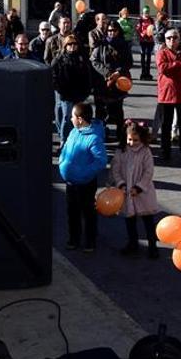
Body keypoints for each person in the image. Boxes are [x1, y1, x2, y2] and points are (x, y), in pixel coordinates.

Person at [59, 103, 107, 252]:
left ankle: (90, 240)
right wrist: (62, 161)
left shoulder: (93, 138)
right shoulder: (74, 132)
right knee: (72, 211)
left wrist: (84, 173)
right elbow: (66, 148)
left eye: (72, 116)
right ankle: (74, 238)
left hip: (85, 183)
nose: (70, 119)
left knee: (87, 211)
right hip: (71, 182)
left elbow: (101, 161)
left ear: (79, 119)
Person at [109, 121, 159, 258]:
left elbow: (148, 172)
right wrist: (121, 184)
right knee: (129, 220)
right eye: (130, 139)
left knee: (148, 221)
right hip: (126, 192)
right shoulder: (121, 151)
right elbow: (116, 169)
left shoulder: (145, 151)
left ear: (142, 138)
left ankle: (152, 245)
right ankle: (133, 243)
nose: (132, 142)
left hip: (143, 193)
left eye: (135, 140)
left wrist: (139, 187)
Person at [91, 20, 133, 148]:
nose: (111, 33)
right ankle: (100, 136)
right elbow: (94, 60)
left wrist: (118, 72)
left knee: (118, 111)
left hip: (118, 83)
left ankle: (121, 137)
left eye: (114, 30)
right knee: (100, 112)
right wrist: (107, 73)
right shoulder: (101, 44)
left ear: (118, 31)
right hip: (102, 83)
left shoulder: (124, 45)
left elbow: (128, 62)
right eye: (109, 30)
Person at [157, 28, 181, 161]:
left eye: (174, 37)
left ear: (179, 39)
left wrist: (173, 67)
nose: (172, 40)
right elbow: (163, 68)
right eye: (168, 38)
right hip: (166, 94)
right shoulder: (161, 52)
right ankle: (165, 152)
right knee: (165, 126)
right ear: (165, 40)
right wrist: (178, 64)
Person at [51, 35, 94, 144]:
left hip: (79, 93)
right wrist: (60, 90)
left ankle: (75, 139)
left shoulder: (82, 58)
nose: (72, 46)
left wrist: (87, 91)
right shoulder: (59, 59)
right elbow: (53, 77)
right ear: (65, 46)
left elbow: (88, 75)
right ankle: (64, 140)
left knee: (78, 118)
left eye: (75, 44)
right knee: (66, 117)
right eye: (69, 44)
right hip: (65, 94)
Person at [136, 6, 156, 80]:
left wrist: (151, 33)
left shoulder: (151, 20)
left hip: (150, 41)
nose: (146, 14)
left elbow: (154, 28)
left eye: (147, 12)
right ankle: (143, 73)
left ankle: (148, 73)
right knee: (143, 56)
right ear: (143, 12)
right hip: (143, 41)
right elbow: (138, 29)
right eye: (145, 12)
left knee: (148, 57)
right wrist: (142, 34)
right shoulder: (140, 20)